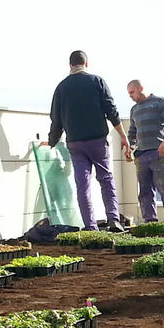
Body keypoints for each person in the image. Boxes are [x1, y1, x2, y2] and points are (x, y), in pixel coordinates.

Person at [47, 50, 132, 232]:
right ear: (86, 64)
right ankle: (113, 220)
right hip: (98, 140)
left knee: (82, 184)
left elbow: (56, 120)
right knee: (106, 178)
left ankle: (90, 226)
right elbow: (111, 110)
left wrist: (51, 142)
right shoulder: (97, 81)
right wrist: (123, 136)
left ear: (70, 65)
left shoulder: (61, 87)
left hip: (75, 143)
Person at [125, 80, 164, 223]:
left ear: (140, 88)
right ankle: (150, 222)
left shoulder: (159, 102)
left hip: (158, 153)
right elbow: (132, 132)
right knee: (145, 193)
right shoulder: (134, 110)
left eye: (132, 92)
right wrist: (130, 148)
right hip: (141, 155)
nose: (130, 96)